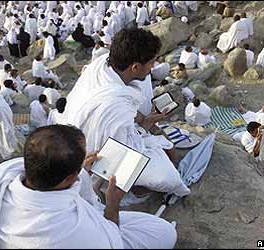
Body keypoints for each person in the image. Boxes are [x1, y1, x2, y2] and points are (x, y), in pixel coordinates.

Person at [0, 125, 177, 249]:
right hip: (96, 227)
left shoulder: (0, 177)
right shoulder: (75, 232)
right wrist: (112, 203)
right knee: (165, 232)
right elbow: (111, 242)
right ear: (69, 178)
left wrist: (84, 174)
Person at [63, 28, 190, 195]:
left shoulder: (103, 62)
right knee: (168, 177)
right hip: (91, 154)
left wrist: (144, 120)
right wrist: (146, 128)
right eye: (151, 62)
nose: (152, 67)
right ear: (135, 67)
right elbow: (121, 151)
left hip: (84, 130)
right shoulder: (114, 106)